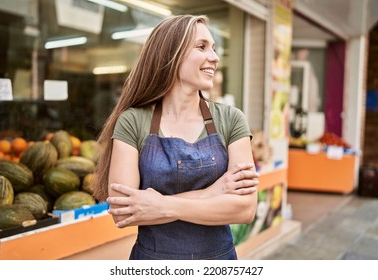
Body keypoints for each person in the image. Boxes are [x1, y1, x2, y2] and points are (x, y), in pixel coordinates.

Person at [92, 14, 259, 260]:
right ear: (172, 54)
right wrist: (213, 192)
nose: (214, 57)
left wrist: (159, 205)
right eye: (202, 47)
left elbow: (244, 209)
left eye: (213, 48)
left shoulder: (231, 119)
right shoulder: (133, 121)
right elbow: (123, 211)